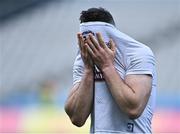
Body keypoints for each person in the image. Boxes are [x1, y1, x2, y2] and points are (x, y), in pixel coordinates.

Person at [65, 7, 157, 133]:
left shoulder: (138, 54)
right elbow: (77, 118)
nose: (93, 45)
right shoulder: (84, 60)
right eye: (87, 40)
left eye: (97, 39)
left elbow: (133, 108)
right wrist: (88, 70)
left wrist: (107, 66)